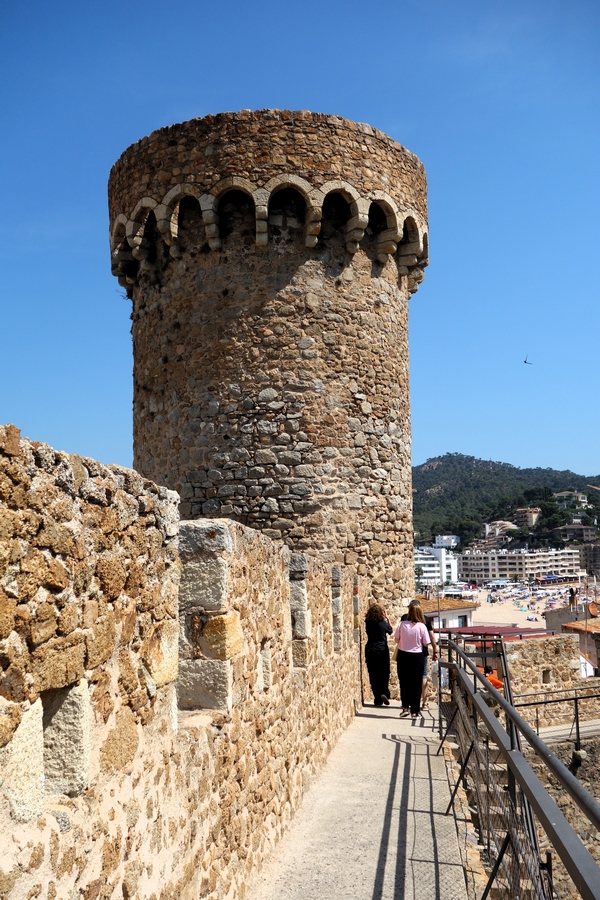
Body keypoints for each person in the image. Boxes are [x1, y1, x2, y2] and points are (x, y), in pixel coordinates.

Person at [394, 604, 431, 718]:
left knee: (404, 682)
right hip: (417, 656)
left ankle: (405, 707)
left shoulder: (402, 625)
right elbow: (426, 642)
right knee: (416, 684)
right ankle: (415, 711)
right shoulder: (422, 626)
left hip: (403, 655)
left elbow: (396, 640)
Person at [401, 599, 438, 710]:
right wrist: (435, 650)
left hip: (405, 652)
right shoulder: (425, 619)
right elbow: (431, 637)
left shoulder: (404, 618)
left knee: (407, 677)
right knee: (423, 675)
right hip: (421, 652)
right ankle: (424, 703)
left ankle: (407, 704)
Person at [364, 603, 393, 707]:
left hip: (370, 650)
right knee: (384, 673)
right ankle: (384, 693)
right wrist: (387, 618)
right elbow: (390, 630)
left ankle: (377, 698)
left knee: (373, 674)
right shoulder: (382, 623)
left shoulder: (368, 622)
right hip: (382, 650)